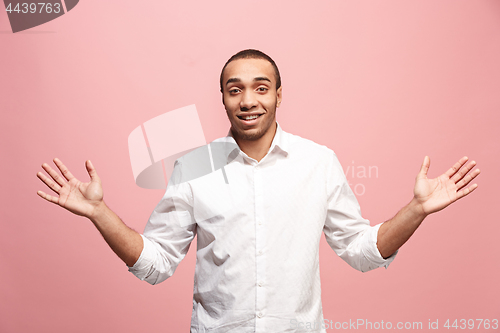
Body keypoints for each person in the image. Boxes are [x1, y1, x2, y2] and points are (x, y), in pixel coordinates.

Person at [37, 49, 480, 333]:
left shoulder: (318, 162)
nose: (248, 100)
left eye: (260, 88)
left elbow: (361, 251)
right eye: (235, 90)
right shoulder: (193, 167)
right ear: (224, 98)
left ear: (279, 96)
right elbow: (156, 264)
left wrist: (418, 209)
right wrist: (99, 213)